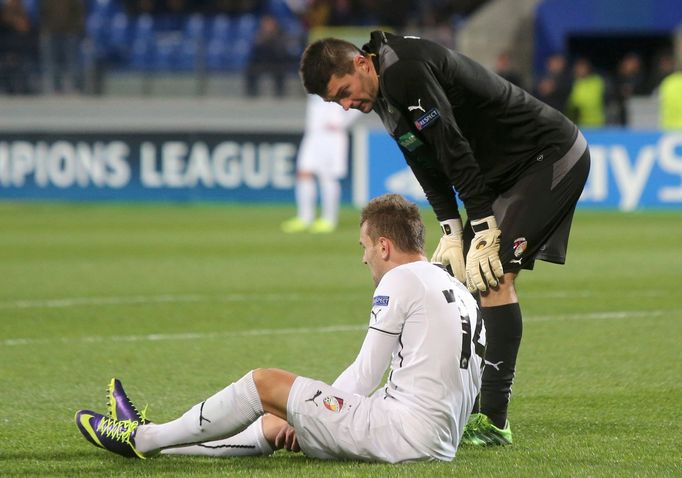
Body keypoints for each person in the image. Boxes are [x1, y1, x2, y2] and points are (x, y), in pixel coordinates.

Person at [299, 32, 591, 446]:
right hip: (500, 175)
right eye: (336, 103)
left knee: (491, 276)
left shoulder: (404, 69)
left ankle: (492, 419)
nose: (346, 106)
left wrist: (484, 227)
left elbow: (451, 144)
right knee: (456, 282)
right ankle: (465, 404)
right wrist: (451, 227)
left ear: (362, 64)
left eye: (344, 92)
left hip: (547, 155)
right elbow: (425, 161)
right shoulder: (383, 91)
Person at [75, 193, 485, 463]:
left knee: (265, 383)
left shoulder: (401, 279)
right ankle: (157, 438)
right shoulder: (458, 289)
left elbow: (364, 374)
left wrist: (317, 412)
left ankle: (140, 439)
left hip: (401, 436)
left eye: (363, 247)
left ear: (383, 246)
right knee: (273, 423)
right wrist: (308, 415)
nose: (363, 260)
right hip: (438, 441)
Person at [281, 94, 361, 233]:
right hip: (313, 134)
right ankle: (305, 217)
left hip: (332, 136)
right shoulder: (315, 83)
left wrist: (342, 122)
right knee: (304, 172)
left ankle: (329, 219)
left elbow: (358, 103)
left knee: (327, 177)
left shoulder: (340, 80)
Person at [566, 57, 606, 127]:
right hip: (579, 124)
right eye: (578, 68)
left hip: (597, 123)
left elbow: (592, 100)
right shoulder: (572, 83)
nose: (580, 71)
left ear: (588, 69)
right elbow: (572, 103)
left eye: (582, 68)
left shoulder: (596, 81)